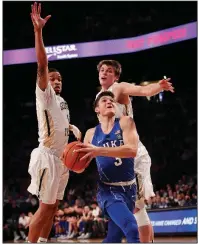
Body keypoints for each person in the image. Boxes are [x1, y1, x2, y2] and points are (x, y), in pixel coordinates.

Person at [95, 60, 174, 242]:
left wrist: (159, 87)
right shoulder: (100, 96)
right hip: (118, 154)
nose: (104, 72)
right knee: (137, 209)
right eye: (102, 70)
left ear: (116, 76)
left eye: (109, 71)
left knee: (136, 208)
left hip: (132, 153)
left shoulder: (120, 87)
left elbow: (143, 90)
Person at [27, 3, 81, 243]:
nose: (56, 81)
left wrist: (71, 128)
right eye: (53, 78)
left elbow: (59, 124)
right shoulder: (45, 94)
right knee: (44, 206)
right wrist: (38, 32)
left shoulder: (62, 102)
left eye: (59, 79)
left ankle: (42, 242)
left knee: (54, 206)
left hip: (62, 159)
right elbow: (42, 65)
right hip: (47, 156)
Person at [76, 91, 140, 243]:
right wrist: (71, 156)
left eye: (111, 100)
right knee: (131, 228)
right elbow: (80, 168)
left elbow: (132, 150)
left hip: (130, 189)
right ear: (97, 109)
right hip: (108, 191)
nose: (109, 102)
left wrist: (98, 150)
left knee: (114, 238)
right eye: (104, 100)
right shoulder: (91, 134)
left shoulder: (125, 122)